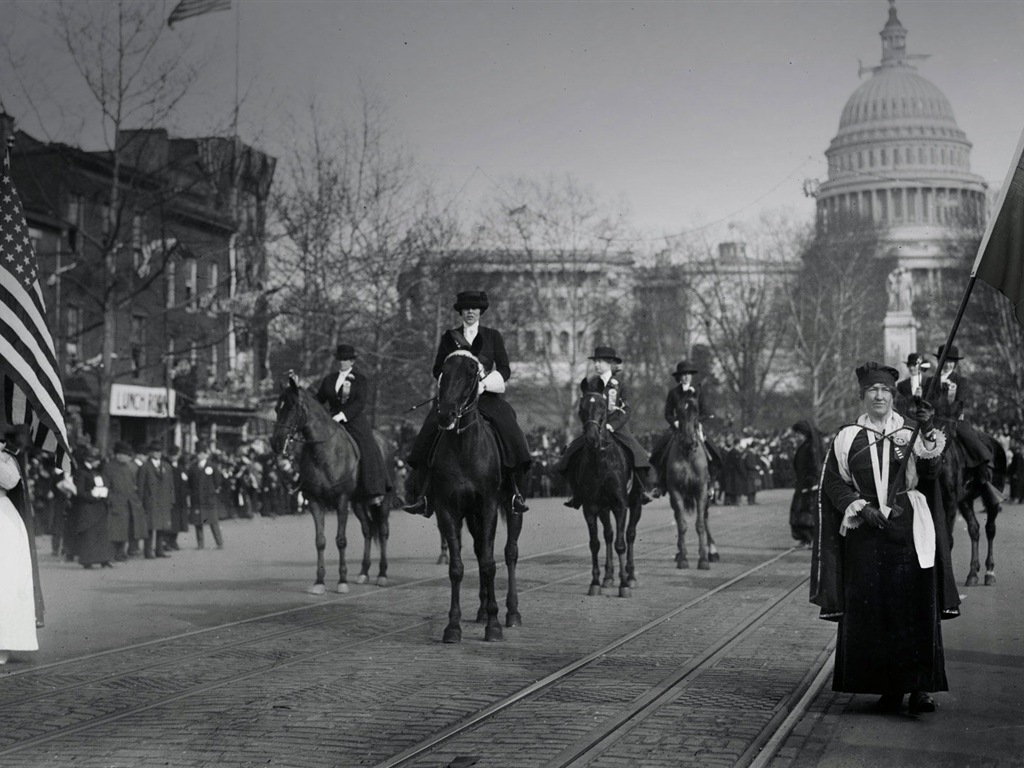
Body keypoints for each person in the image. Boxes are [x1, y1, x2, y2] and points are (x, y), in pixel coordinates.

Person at [811, 361, 960, 715]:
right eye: (872, 391)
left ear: (894, 397)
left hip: (908, 528)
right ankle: (888, 687)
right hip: (866, 532)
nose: (879, 396)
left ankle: (921, 688)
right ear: (862, 396)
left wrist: (926, 428)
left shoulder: (910, 432)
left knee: (915, 606)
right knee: (875, 610)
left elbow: (931, 471)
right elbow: (833, 482)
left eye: (885, 391)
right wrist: (860, 507)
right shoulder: (847, 437)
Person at [403, 290, 532, 517]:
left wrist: (485, 384)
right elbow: (437, 369)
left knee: (510, 431)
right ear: (461, 312)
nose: (470, 312)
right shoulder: (449, 337)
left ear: (480, 312)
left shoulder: (492, 336)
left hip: (486, 396)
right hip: (455, 398)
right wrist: (451, 386)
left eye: (474, 309)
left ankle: (514, 492)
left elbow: (504, 368)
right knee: (428, 432)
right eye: (466, 309)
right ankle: (424, 495)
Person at [557, 346, 656, 507]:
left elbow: (626, 409)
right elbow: (585, 407)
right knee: (571, 453)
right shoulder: (592, 384)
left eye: (600, 361)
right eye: (595, 361)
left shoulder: (621, 385)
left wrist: (611, 425)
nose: (597, 365)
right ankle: (577, 493)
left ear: (610, 363)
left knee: (638, 454)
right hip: (594, 428)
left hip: (615, 429)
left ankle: (641, 490)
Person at [923, 344, 1001, 508]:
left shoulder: (961, 381)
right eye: (945, 360)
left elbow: (959, 404)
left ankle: (983, 478)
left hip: (956, 420)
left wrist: (944, 403)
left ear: (955, 363)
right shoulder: (931, 381)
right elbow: (927, 403)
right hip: (936, 421)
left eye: (951, 361)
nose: (948, 364)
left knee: (973, 442)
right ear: (940, 361)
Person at [315, 344, 390, 509]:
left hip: (353, 420)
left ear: (351, 361)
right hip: (331, 421)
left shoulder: (360, 379)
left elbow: (360, 403)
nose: (342, 362)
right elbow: (318, 400)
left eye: (346, 359)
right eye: (340, 359)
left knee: (368, 447)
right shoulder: (329, 379)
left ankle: (374, 490)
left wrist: (342, 416)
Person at [650, 360, 720, 494]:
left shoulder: (698, 391)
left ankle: (711, 482)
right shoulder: (673, 393)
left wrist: (696, 422)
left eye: (688, 374)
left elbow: (704, 412)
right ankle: (660, 483)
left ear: (691, 376)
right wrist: (675, 422)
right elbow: (668, 413)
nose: (686, 376)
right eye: (683, 374)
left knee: (713, 450)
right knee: (660, 448)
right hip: (677, 428)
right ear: (679, 377)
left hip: (694, 426)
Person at [0, 443, 38, 664]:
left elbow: (10, 480)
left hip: (3, 517)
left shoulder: (6, 457)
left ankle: (3, 643)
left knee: (7, 579)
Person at [70, 444, 115, 569]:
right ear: (90, 460)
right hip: (88, 508)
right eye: (96, 460)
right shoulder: (81, 472)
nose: (98, 463)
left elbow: (106, 484)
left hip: (100, 507)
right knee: (89, 535)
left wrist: (105, 493)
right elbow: (80, 492)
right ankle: (88, 560)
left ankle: (104, 559)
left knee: (102, 534)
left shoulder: (97, 472)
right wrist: (93, 495)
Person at [137, 440, 176, 559]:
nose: (158, 454)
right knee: (149, 527)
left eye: (159, 451)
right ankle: (148, 552)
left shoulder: (166, 466)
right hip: (150, 501)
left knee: (162, 527)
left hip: (164, 500)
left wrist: (172, 499)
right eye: (155, 451)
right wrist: (141, 501)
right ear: (150, 453)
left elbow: (171, 485)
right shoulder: (145, 467)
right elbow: (141, 485)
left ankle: (160, 550)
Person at [105, 441, 142, 562]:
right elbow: (106, 485)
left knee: (127, 529)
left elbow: (136, 483)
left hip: (130, 502)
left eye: (127, 455)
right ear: (117, 455)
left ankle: (122, 552)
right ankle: (114, 553)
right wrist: (110, 498)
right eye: (122, 454)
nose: (125, 457)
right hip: (116, 502)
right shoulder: (109, 467)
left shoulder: (132, 467)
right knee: (116, 530)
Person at [789, 420, 823, 547]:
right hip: (803, 483)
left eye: (797, 434)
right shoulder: (806, 445)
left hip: (809, 485)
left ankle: (809, 539)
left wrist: (812, 483)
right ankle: (805, 539)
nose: (796, 436)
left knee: (807, 511)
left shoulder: (811, 447)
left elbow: (815, 467)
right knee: (801, 511)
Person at [188, 442, 224, 549]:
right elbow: (190, 482)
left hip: (209, 498)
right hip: (197, 498)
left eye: (201, 453)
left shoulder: (212, 466)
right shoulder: (193, 467)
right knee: (198, 522)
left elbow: (218, 480)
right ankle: (200, 544)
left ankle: (219, 542)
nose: (199, 455)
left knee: (213, 521)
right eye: (198, 453)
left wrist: (213, 491)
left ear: (205, 454)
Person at [895, 352, 930, 417]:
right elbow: (899, 405)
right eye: (909, 365)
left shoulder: (928, 382)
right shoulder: (901, 385)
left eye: (914, 365)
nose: (911, 368)